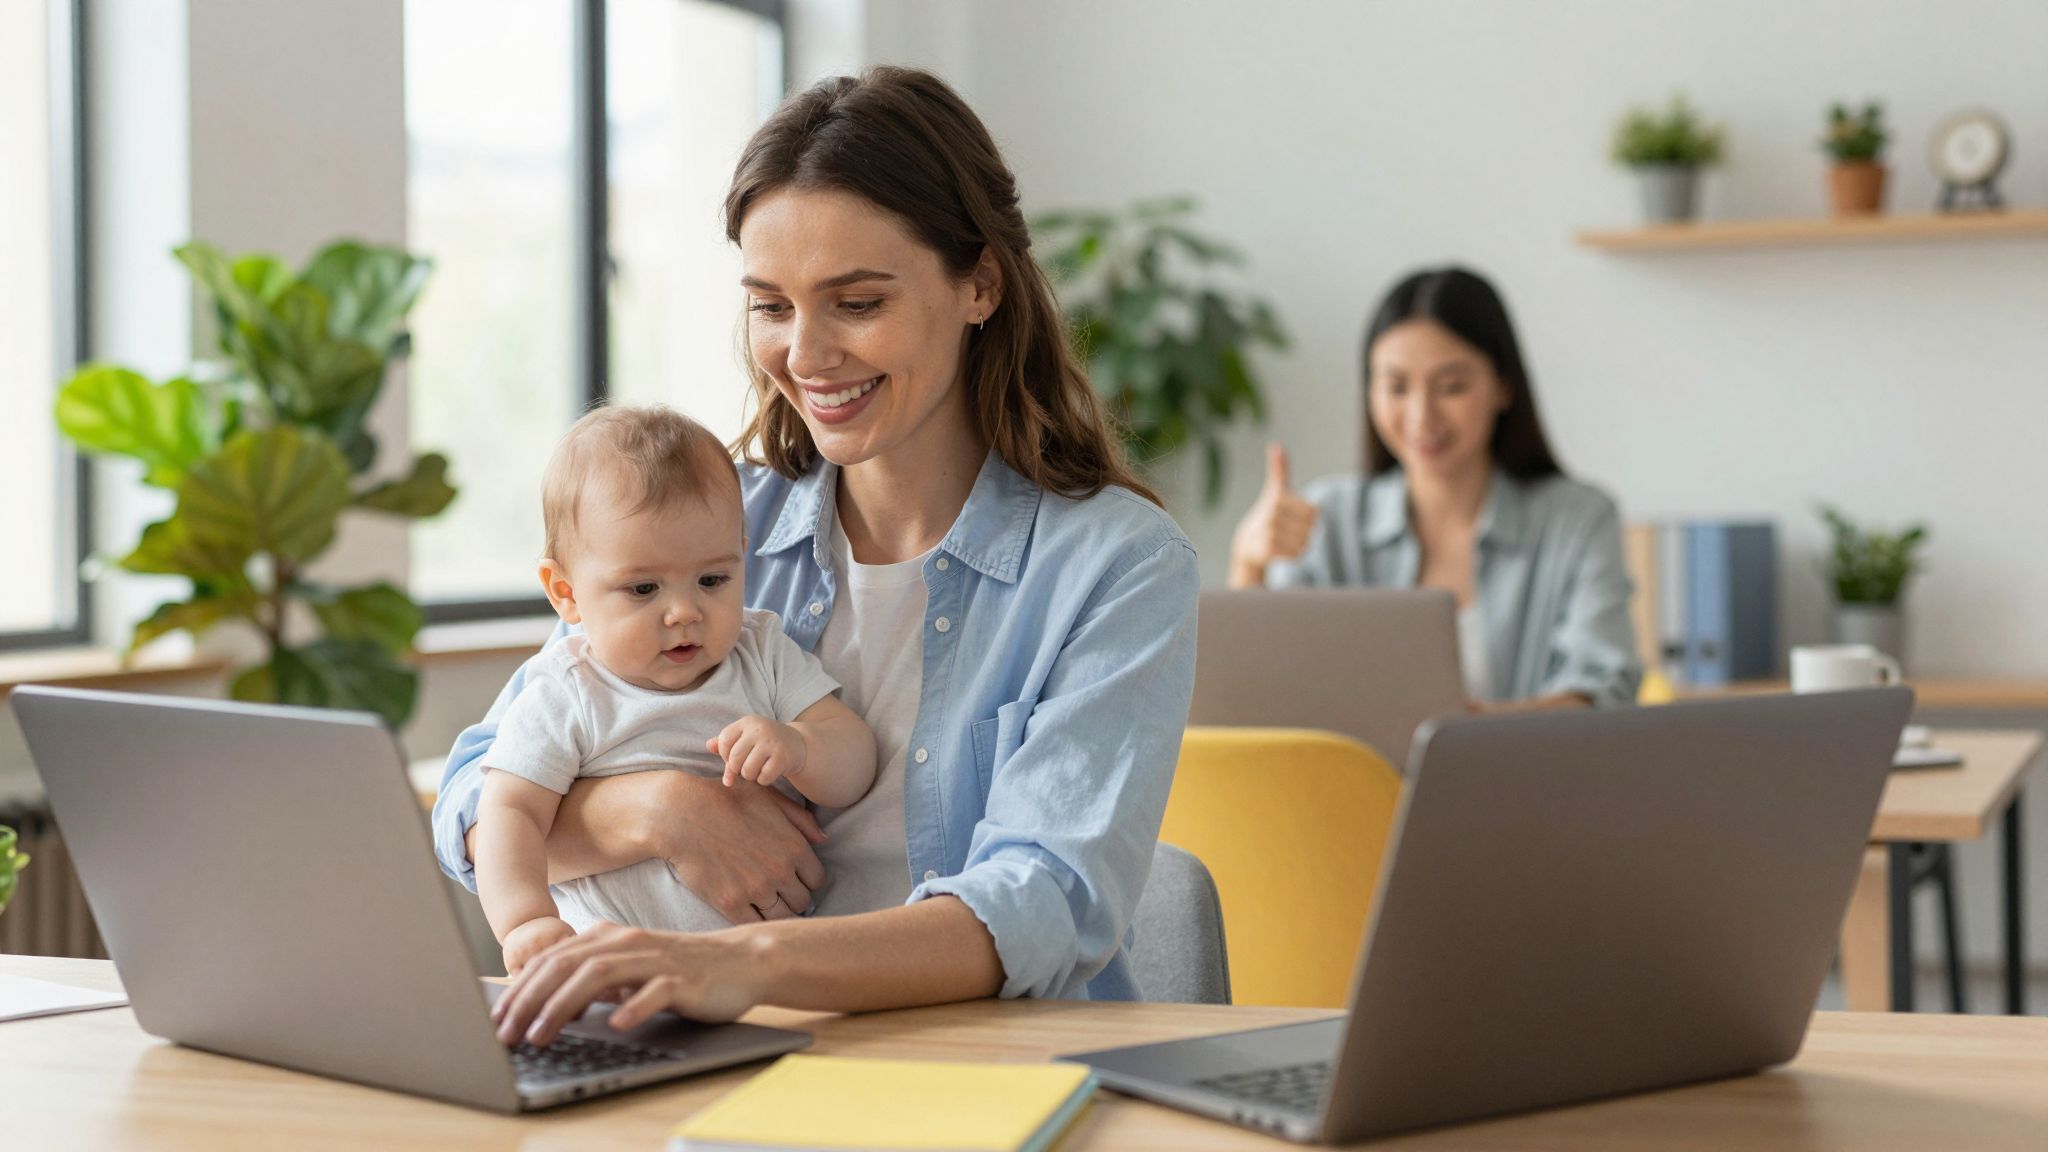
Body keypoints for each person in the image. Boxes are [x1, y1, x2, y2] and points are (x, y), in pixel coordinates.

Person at [429, 66, 1200, 1047]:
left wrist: (729, 966)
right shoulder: (706, 533)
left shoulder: (1114, 567)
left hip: (986, 1072)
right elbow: (466, 799)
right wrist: (654, 811)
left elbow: (1044, 901)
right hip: (708, 1060)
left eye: (856, 302)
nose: (805, 353)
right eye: (770, 306)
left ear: (980, 284)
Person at [473, 405, 877, 976]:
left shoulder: (760, 653)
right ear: (565, 592)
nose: (685, 612)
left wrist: (801, 746)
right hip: (606, 975)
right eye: (643, 589)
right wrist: (525, 922)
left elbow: (856, 763)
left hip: (760, 983)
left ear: (742, 553)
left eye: (714, 579)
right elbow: (508, 813)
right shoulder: (566, 693)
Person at [1229, 266, 1639, 710]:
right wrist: (1248, 564)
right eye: (1396, 387)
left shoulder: (1578, 519)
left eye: (1452, 386)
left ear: (1503, 386)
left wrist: (1464, 735)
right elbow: (1263, 694)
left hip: (1523, 777)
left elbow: (1605, 691)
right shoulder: (1327, 516)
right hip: (1353, 781)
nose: (1422, 416)